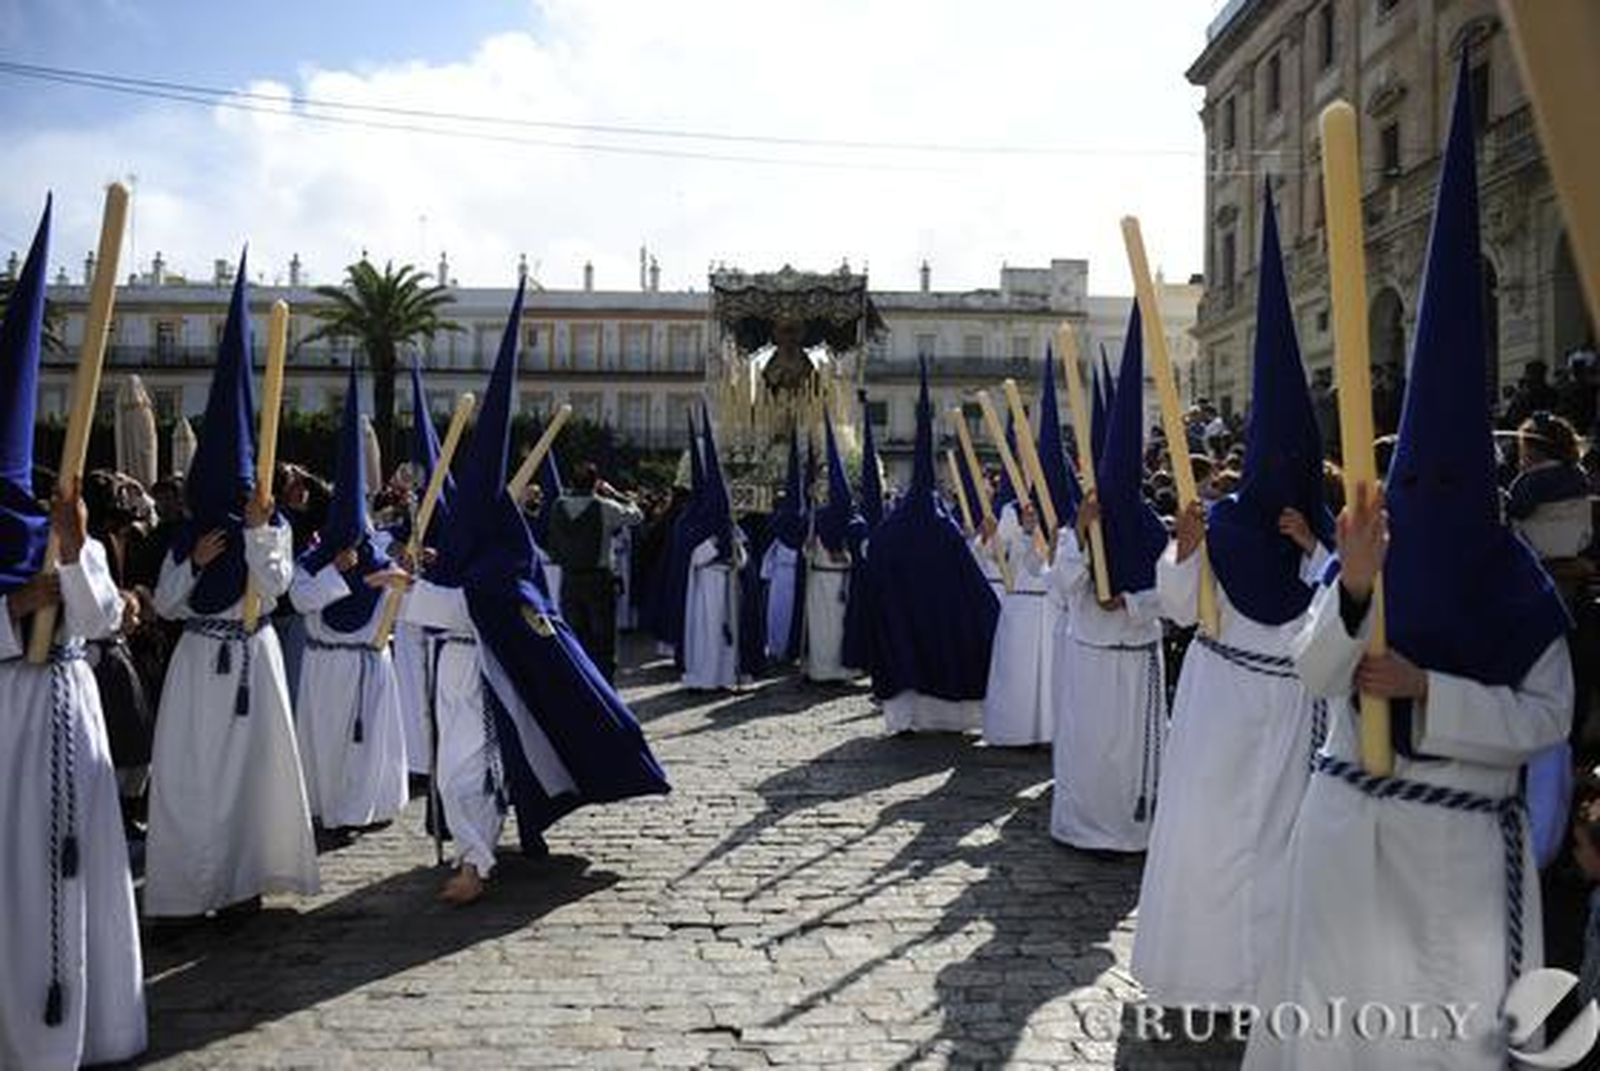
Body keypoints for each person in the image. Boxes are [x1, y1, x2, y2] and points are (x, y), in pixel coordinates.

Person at [1245, 60, 1573, 1067]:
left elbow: (1545, 720)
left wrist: (1431, 688)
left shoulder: (1522, 593)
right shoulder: (1371, 557)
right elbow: (1310, 675)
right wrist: (1347, 591)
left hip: (1462, 853)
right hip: (1352, 833)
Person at [1133, 188, 1334, 1009]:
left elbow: (1350, 615)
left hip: (1290, 707)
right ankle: (1197, 973)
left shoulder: (1324, 536)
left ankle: (1264, 981)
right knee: (1209, 836)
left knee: (1281, 841)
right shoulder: (1217, 520)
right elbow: (1176, 608)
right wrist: (1185, 548)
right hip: (1219, 695)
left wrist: (1318, 550)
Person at [404, 280, 669, 902]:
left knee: (471, 768)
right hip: (452, 672)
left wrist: (410, 589)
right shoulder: (472, 555)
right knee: (467, 769)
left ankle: (475, 862)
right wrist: (418, 574)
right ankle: (487, 844)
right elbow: (447, 596)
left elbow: (471, 607)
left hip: (482, 676)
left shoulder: (501, 565)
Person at [0, 197, 146, 1070]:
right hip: (8, 718)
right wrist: (12, 611)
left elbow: (98, 617)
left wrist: (73, 548)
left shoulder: (62, 520)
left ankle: (90, 1024)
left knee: (81, 870)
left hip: (68, 702)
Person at [143, 253, 319, 921]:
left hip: (253, 654)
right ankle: (187, 893)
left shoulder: (266, 526)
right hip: (198, 663)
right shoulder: (185, 537)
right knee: (190, 779)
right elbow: (163, 604)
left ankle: (245, 882)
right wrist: (193, 563)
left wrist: (256, 531)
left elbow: (278, 588)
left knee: (251, 777)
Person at [1049, 301, 1168, 852]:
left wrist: (1132, 602)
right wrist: (1077, 531)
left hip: (1135, 655)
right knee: (1091, 747)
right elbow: (1061, 585)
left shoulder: (1149, 528)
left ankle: (1130, 829)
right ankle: (1083, 823)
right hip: (1092, 655)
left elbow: (1170, 594)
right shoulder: (1085, 523)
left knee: (1129, 757)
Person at [289, 362, 411, 834]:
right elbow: (299, 599)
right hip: (326, 664)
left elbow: (402, 592)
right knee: (330, 743)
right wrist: (336, 574)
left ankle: (371, 806)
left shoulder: (378, 556)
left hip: (367, 662)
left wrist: (397, 579)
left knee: (370, 741)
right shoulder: (312, 558)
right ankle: (334, 810)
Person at [864, 360, 999, 733]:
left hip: (901, 618)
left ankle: (906, 720)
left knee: (907, 654)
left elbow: (873, 563)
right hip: (943, 619)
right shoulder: (945, 529)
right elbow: (971, 578)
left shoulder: (891, 531)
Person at [545, 462, 643, 682]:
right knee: (603, 639)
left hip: (569, 579)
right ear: (595, 482)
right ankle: (604, 683)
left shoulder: (558, 506)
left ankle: (579, 680)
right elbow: (637, 516)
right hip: (598, 579)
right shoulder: (604, 506)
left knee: (575, 635)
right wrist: (616, 494)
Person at [681, 408, 746, 690]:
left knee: (726, 629)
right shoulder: (692, 522)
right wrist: (713, 546)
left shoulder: (726, 522)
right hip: (706, 582)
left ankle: (725, 674)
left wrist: (737, 556)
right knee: (707, 630)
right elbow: (692, 557)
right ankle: (706, 675)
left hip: (726, 579)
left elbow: (742, 552)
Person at [805, 416, 865, 682]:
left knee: (833, 629)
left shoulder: (843, 522)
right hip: (823, 578)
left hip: (836, 582)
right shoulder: (817, 518)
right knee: (824, 628)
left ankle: (834, 668)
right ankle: (823, 669)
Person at [761, 430, 807, 664]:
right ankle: (785, 648)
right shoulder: (805, 520)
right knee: (785, 613)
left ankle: (780, 648)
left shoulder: (778, 522)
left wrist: (765, 574)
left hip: (783, 574)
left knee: (778, 613)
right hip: (790, 573)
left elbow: (768, 551)